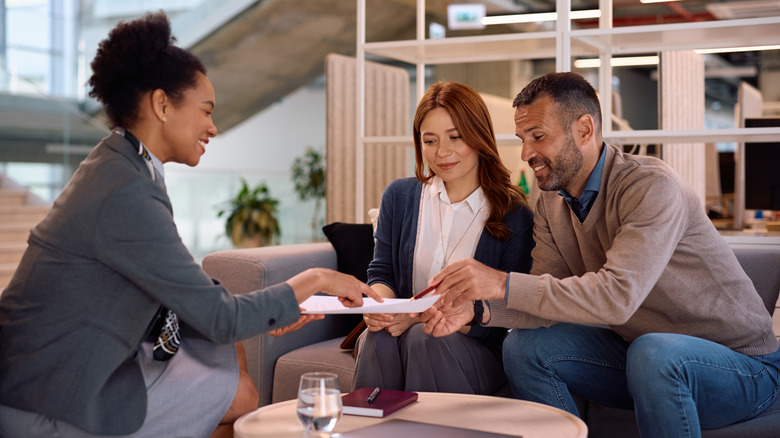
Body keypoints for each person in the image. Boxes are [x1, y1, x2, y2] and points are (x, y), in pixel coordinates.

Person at [0, 12, 380, 438]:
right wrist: (317, 279)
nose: (213, 127)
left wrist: (272, 312)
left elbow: (195, 299)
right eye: (206, 111)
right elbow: (219, 318)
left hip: (57, 370)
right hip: (55, 396)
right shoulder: (125, 191)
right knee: (237, 392)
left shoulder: (120, 165)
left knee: (231, 360)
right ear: (162, 105)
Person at [420, 72, 780, 437]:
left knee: (654, 353)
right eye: (523, 139)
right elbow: (544, 296)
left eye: (539, 137)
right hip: (643, 358)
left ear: (585, 129)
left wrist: (499, 282)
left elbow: (617, 298)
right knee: (525, 347)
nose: (527, 153)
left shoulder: (651, 186)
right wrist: (479, 309)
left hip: (743, 368)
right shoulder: (550, 202)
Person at [351, 81, 534, 394]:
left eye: (455, 137)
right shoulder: (399, 196)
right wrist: (378, 305)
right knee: (376, 334)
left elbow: (509, 310)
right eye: (430, 140)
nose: (443, 152)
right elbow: (382, 274)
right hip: (405, 332)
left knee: (425, 336)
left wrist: (422, 319)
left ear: (478, 137)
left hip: (472, 344)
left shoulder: (514, 213)